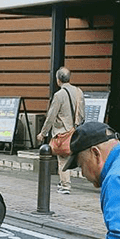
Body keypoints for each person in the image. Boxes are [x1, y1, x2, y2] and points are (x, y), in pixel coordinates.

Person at [37, 66, 85, 195]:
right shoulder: (79, 92)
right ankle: (63, 182)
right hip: (74, 130)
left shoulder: (59, 95)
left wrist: (43, 133)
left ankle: (65, 185)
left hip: (62, 132)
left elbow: (51, 116)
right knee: (69, 157)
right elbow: (82, 113)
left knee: (62, 159)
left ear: (58, 80)